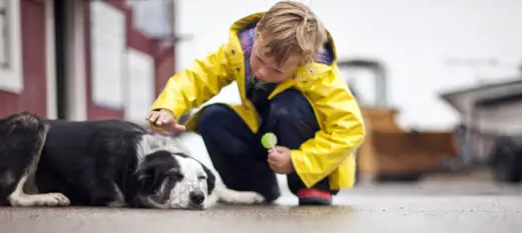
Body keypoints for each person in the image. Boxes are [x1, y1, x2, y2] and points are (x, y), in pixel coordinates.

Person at [145, 1, 365, 205]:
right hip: (262, 129)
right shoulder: (240, 51)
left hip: (302, 143)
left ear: (302, 62)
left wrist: (298, 161)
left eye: (276, 70)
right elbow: (200, 76)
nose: (261, 71)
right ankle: (255, 187)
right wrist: (168, 106)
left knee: (289, 105)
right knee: (212, 118)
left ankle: (314, 186)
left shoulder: (320, 75)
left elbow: (349, 130)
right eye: (259, 59)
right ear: (259, 33)